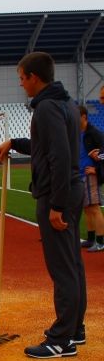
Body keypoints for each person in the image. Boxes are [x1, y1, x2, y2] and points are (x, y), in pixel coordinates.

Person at [0, 51, 86, 359]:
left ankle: (62, 339)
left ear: (34, 77)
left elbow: (58, 155)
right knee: (72, 263)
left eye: (22, 78)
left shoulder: (46, 108)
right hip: (72, 190)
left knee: (62, 268)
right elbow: (46, 146)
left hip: (58, 194)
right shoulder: (66, 104)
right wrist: (16, 143)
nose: (21, 85)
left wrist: (56, 204)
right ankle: (75, 329)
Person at [78, 105, 104, 252]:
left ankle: (100, 241)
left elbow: (103, 153)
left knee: (94, 208)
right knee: (87, 208)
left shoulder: (94, 133)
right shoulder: (77, 133)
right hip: (80, 174)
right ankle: (90, 238)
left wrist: (97, 169)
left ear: (84, 117)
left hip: (90, 175)